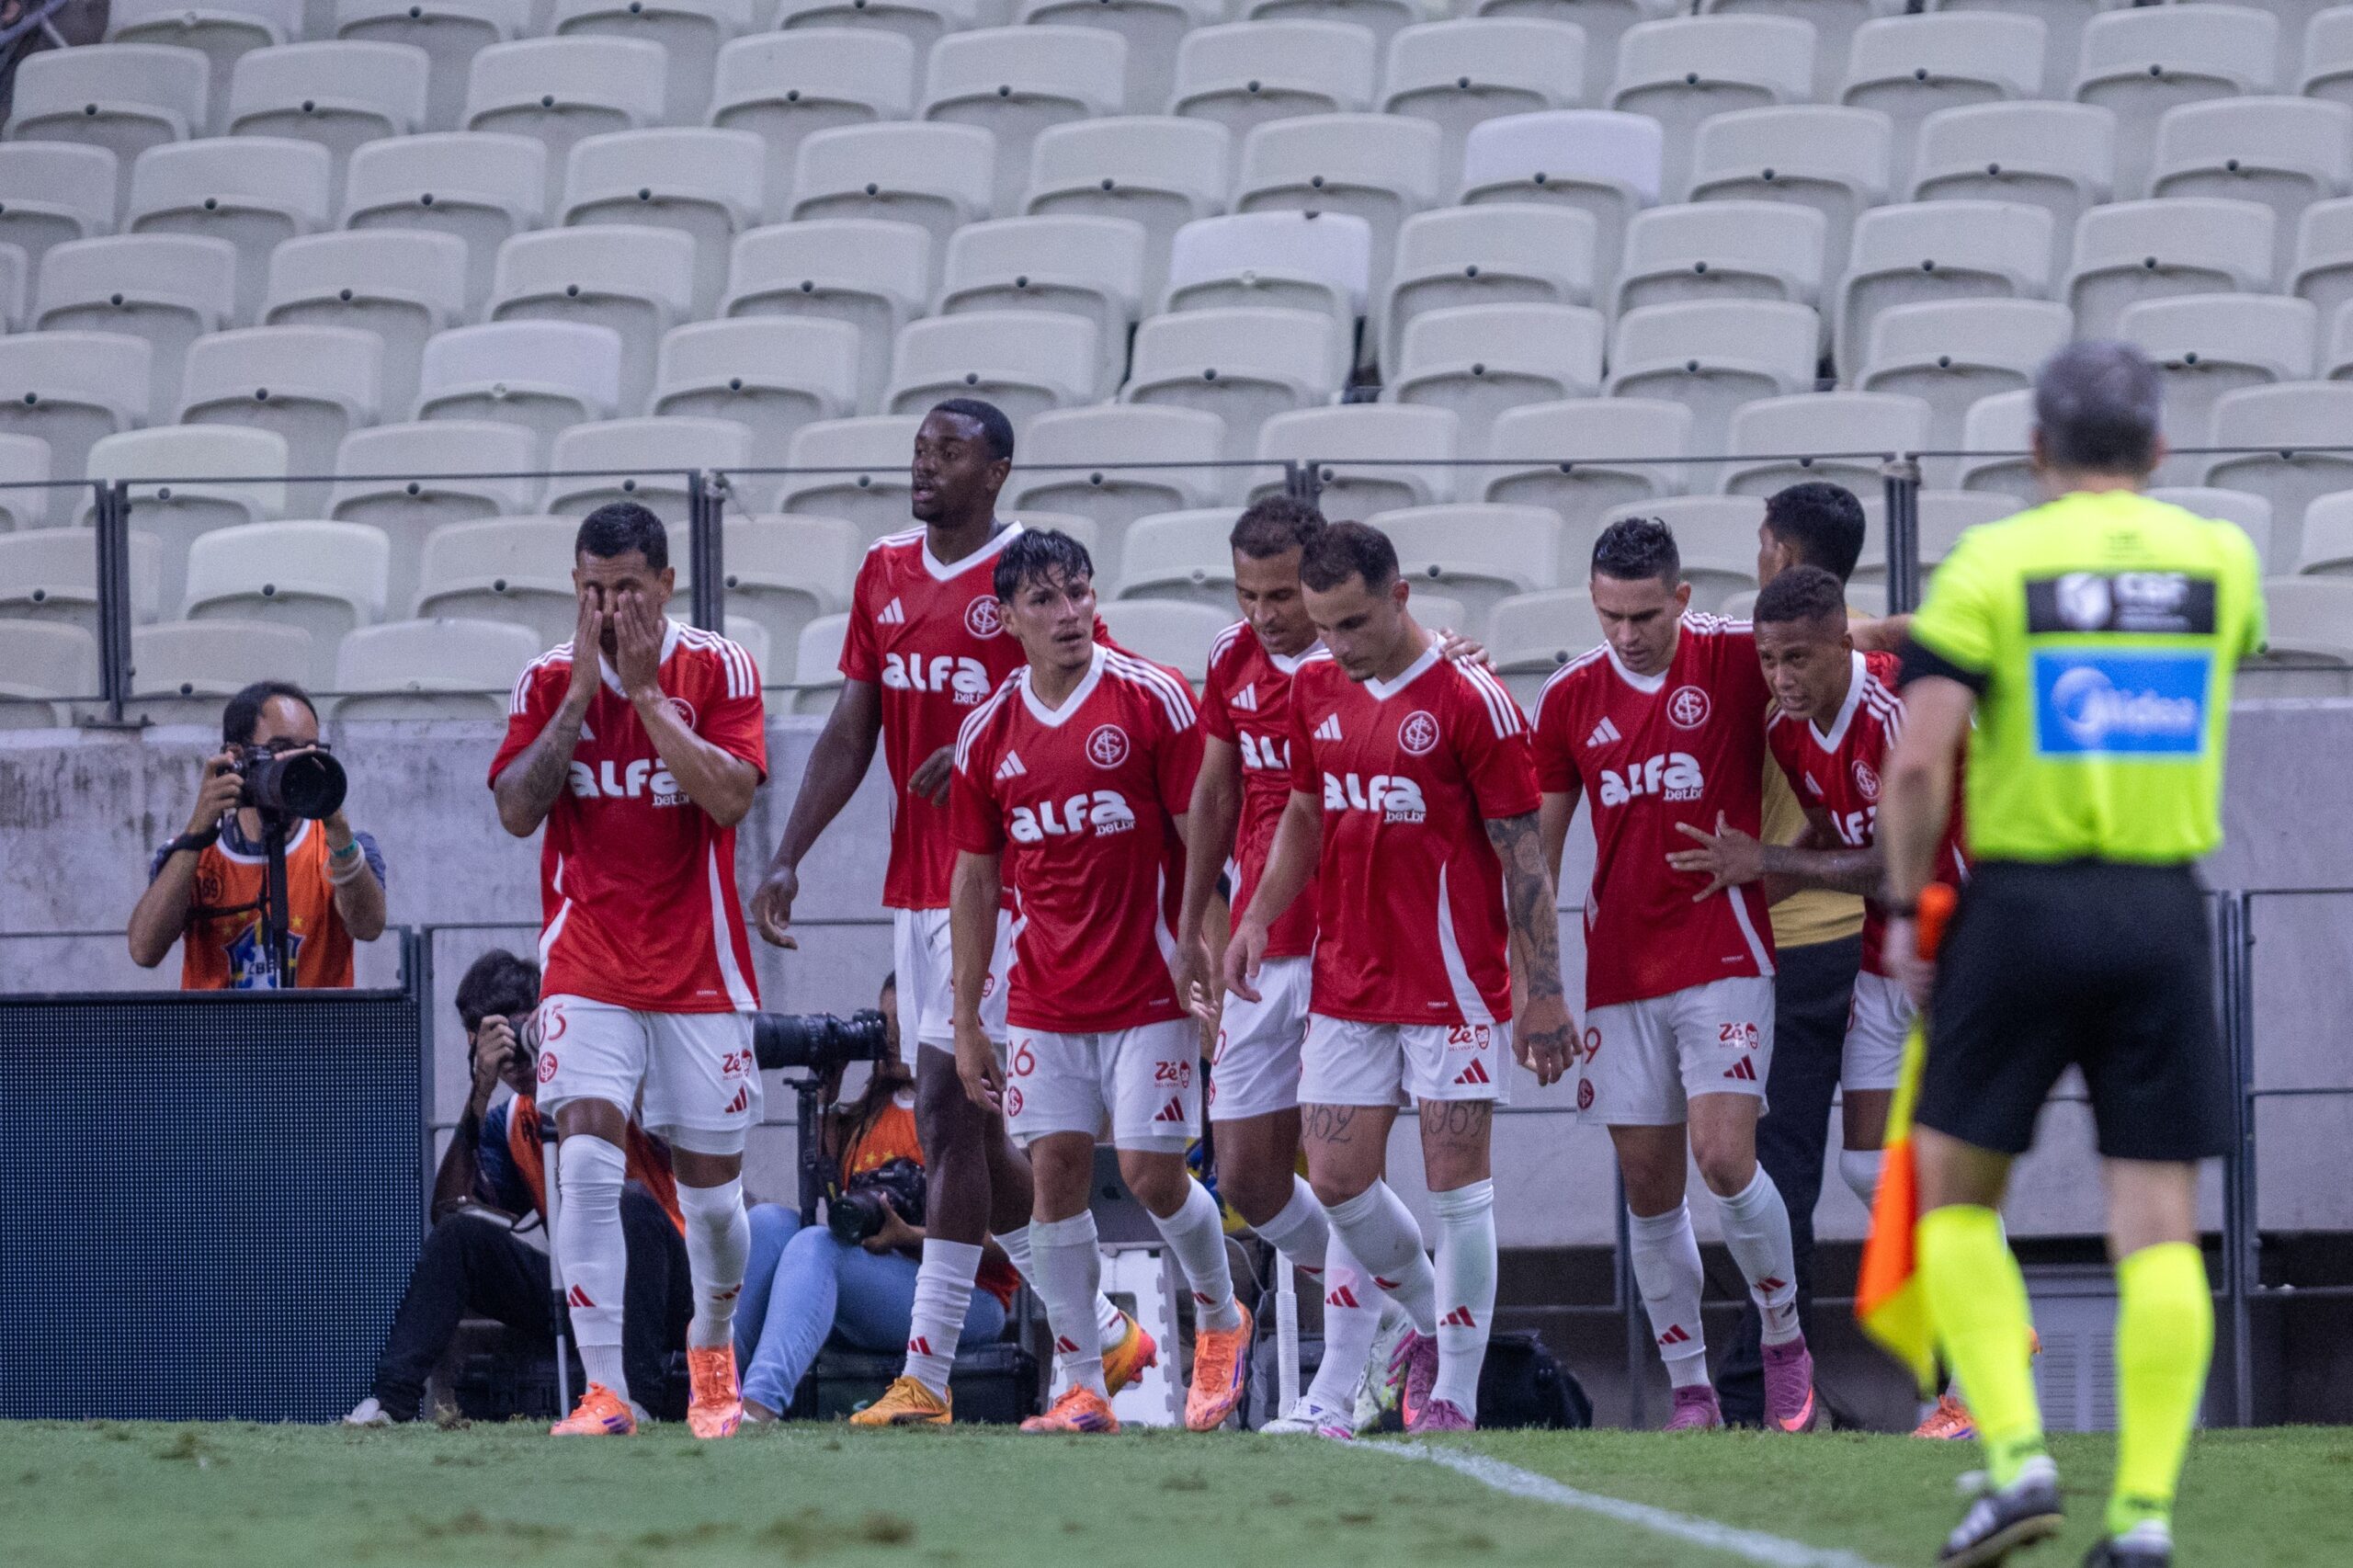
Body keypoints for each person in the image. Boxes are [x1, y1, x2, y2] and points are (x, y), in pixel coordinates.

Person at [1882, 342, 2264, 1568]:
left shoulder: (1994, 562)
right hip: (2161, 913)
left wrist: (1902, 910)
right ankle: (2144, 1517)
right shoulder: (2223, 559)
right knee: (2157, 1221)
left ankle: (2017, 1461)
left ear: (2037, 450)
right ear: (2157, 449)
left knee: (1953, 1193)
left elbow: (1919, 759)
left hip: (2024, 911)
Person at [747, 399, 1145, 1427]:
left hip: (1014, 889)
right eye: (919, 445)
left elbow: (1089, 699)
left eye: (949, 448)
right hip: (915, 884)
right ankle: (1099, 1325)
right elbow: (852, 722)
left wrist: (985, 744)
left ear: (999, 470)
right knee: (964, 1128)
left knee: (955, 1117)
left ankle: (933, 1371)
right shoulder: (882, 568)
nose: (923, 462)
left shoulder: (1034, 582)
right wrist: (787, 853)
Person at [1223, 520, 1574, 1435]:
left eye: (1351, 623)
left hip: (1451, 985)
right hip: (1346, 974)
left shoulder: (1473, 700)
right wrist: (1257, 914)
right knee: (1338, 1180)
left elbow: (1522, 854)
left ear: (1400, 595)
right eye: (1323, 624)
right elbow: (1302, 813)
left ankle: (1451, 1393)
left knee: (1458, 1187)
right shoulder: (1311, 688)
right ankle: (1420, 1325)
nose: (1335, 642)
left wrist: (1543, 991)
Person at [948, 528, 1249, 1436]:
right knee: (1055, 1177)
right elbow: (972, 876)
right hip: (1043, 996)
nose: (1068, 613)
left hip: (1150, 989)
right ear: (1004, 618)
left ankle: (1219, 1318)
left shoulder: (1151, 697)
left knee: (1155, 1175)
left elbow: (1203, 842)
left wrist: (1213, 973)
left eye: (1078, 592)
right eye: (1044, 600)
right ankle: (1081, 1386)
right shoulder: (986, 730)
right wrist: (967, 1016)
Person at [1530, 516, 1817, 1434]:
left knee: (1725, 1156)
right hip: (1619, 969)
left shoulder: (1736, 655)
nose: (1626, 631)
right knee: (1648, 1184)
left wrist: (1772, 852)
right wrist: (1536, 983)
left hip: (1723, 952)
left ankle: (1781, 1336)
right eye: (1610, 613)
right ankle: (1688, 1384)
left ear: (1681, 598)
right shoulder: (1571, 695)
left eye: (1645, 612)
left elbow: (1842, 645)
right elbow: (1535, 854)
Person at [489, 501, 767, 1439]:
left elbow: (731, 800)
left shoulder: (719, 667)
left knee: (716, 1202)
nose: (609, 606)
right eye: (592, 589)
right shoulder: (541, 678)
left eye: (627, 589)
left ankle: (712, 1342)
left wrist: (644, 695)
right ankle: (606, 1390)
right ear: (576, 587)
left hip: (699, 965)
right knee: (588, 1161)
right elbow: (518, 811)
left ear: (665, 586)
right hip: (587, 960)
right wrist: (578, 695)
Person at [1665, 563, 1971, 1206]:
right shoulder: (1785, 729)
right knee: (1866, 1167)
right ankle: (1942, 1292)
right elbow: (1828, 833)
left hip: (1960, 944)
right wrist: (1737, 905)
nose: (1781, 678)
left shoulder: (1896, 711)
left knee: (1951, 1165)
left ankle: (1986, 1306)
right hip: (1882, 953)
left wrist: (1766, 858)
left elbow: (1892, 868)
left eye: (1798, 658)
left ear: (1843, 645)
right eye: (1769, 660)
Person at [347, 950, 693, 1426]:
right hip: (578, 1292)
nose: (519, 1060)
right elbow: (449, 1214)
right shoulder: (509, 1124)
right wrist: (479, 1093)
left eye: (524, 1034)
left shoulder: (616, 1078)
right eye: (502, 1046)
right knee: (459, 1237)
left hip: (670, 1290)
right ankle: (391, 1403)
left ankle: (638, 1404)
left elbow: (688, 1154)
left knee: (628, 1201)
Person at [1709, 483, 1875, 1429]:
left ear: (1776, 550)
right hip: (1868, 948)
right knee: (1886, 1170)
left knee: (1784, 1176)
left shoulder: (1756, 648)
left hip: (1799, 949)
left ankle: (1767, 1387)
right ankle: (1950, 1380)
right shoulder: (1862, 649)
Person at [734, 975, 1018, 1420]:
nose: (888, 1036)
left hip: (969, 1301)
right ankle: (722, 1396)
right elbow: (837, 1205)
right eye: (882, 1022)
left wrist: (909, 1235)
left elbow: (1015, 1245)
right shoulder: (871, 1111)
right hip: (880, 1279)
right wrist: (828, 1090)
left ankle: (758, 1407)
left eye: (899, 1022)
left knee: (816, 1246)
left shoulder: (970, 1106)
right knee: (767, 1222)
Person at [128, 679, 387, 988]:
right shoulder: (193, 853)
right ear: (236, 755)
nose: (302, 762)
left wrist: (338, 830)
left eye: (312, 749)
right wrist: (197, 831)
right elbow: (144, 951)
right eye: (282, 749)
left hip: (316, 1034)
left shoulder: (342, 847)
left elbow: (368, 928)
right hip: (220, 1035)